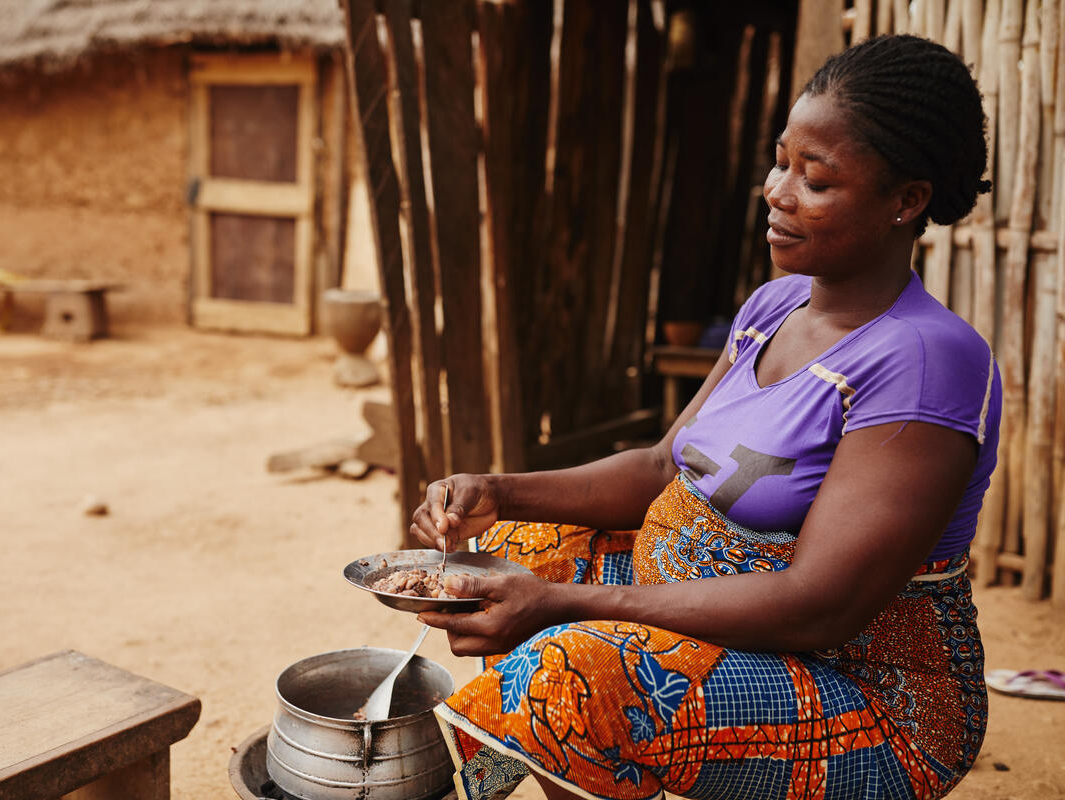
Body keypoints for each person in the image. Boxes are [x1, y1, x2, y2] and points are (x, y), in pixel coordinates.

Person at [409, 34, 1000, 800]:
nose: (778, 191)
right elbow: (665, 467)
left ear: (906, 201)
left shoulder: (925, 360)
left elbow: (818, 605)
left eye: (815, 180)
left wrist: (571, 608)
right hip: (738, 632)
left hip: (870, 697)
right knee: (519, 547)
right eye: (781, 161)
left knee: (578, 670)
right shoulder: (776, 305)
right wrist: (498, 490)